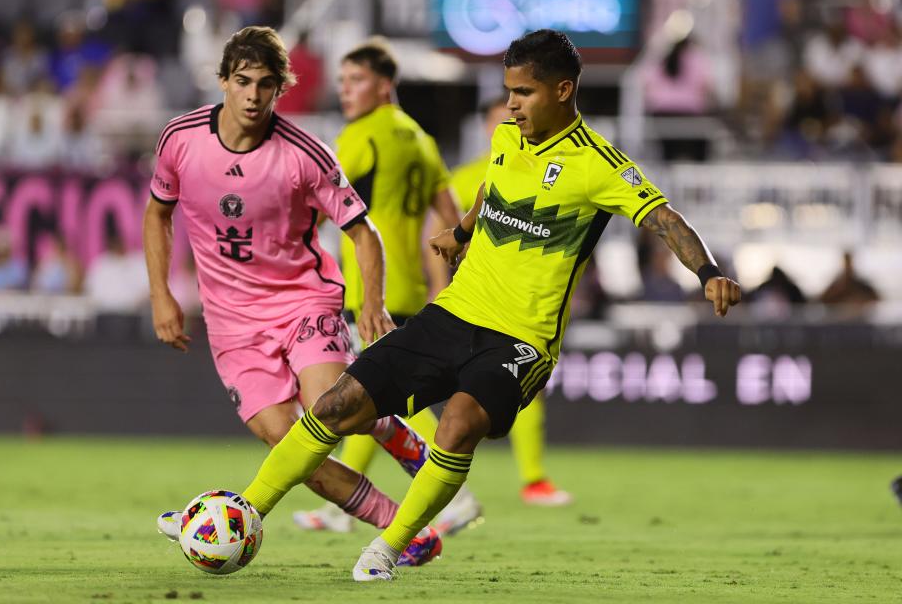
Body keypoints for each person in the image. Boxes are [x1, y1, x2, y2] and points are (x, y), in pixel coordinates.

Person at [229, 29, 741, 582]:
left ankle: (389, 546)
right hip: (455, 312)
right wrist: (463, 229)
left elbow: (665, 219)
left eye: (523, 93)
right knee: (336, 405)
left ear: (564, 90)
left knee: (456, 424)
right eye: (508, 92)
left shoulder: (600, 165)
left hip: (522, 337)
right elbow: (492, 188)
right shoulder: (505, 138)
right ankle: (244, 513)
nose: (511, 105)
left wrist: (708, 272)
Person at [144, 26, 441, 566]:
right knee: (289, 447)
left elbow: (361, 232)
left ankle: (389, 432)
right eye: (243, 82)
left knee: (327, 413)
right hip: (231, 323)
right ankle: (403, 527)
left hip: (303, 300)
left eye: (266, 85)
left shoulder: (306, 154)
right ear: (224, 81)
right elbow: (157, 212)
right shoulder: (180, 139)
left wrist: (371, 304)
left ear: (282, 88)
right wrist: (162, 294)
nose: (254, 96)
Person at [294, 38, 484, 534]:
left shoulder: (362, 134)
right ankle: (343, 505)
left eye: (355, 81)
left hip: (367, 286)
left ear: (384, 85)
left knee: (382, 397)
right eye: (341, 82)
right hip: (408, 284)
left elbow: (316, 201)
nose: (345, 91)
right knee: (370, 395)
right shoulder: (420, 138)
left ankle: (455, 493)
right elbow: (452, 220)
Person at [449, 94, 572, 506]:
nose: (509, 121)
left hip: (516, 306)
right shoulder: (466, 179)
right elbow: (440, 236)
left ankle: (533, 479)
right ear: (487, 127)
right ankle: (429, 473)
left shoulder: (548, 174)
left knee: (525, 390)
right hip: (464, 300)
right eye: (498, 118)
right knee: (418, 390)